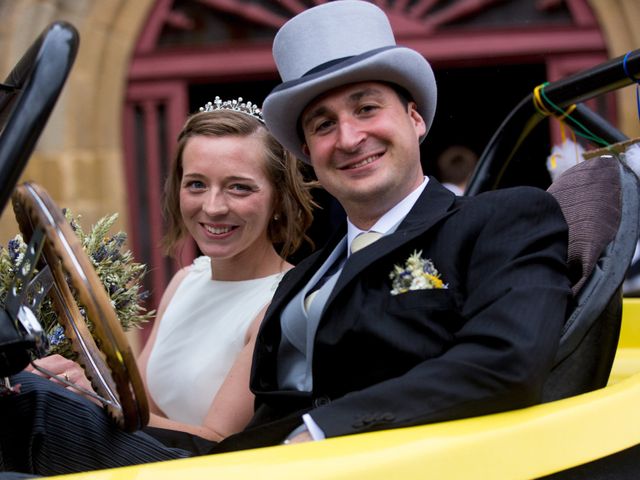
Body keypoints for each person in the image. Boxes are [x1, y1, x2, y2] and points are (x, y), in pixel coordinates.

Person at [0, 1, 572, 474]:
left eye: (367, 108)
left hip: (378, 465)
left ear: (416, 118)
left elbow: (506, 360)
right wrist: (96, 399)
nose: (349, 137)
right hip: (254, 466)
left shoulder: (500, 219)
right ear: (309, 153)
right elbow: (246, 431)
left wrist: (322, 431)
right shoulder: (308, 275)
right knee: (31, 400)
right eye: (323, 124)